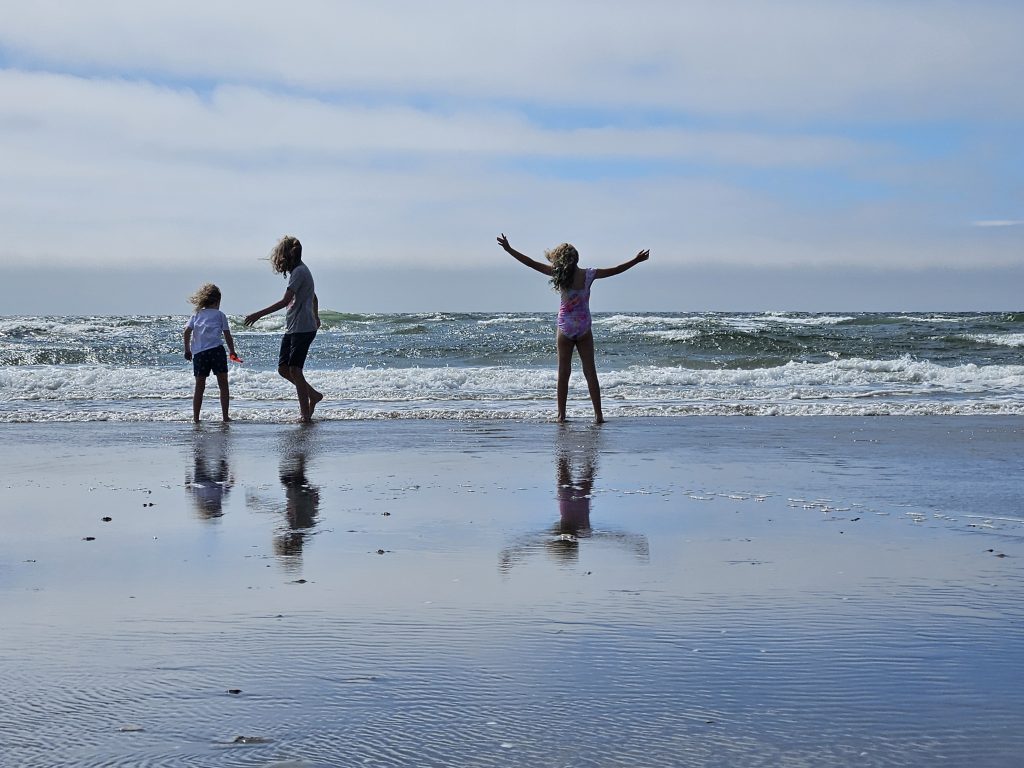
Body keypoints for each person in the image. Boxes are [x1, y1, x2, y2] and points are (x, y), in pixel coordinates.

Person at [496, 233, 649, 423]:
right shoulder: (589, 274)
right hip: (584, 326)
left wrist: (509, 249)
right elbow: (616, 270)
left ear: (559, 259)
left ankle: (561, 415)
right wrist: (636, 260)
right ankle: (598, 415)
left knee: (563, 373)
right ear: (577, 258)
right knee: (590, 372)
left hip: (565, 327)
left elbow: (530, 263)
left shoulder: (557, 274)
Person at [244, 235, 323, 423]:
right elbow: (314, 297)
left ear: (288, 256)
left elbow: (285, 301)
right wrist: (317, 316)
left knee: (295, 369)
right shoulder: (300, 271)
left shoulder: (299, 272)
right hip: (294, 327)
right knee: (283, 369)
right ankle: (313, 394)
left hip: (303, 327)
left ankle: (305, 415)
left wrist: (258, 314)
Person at [184, 283, 237, 423]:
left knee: (199, 387)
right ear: (217, 301)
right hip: (216, 352)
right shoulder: (220, 315)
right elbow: (227, 335)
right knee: (223, 385)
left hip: (200, 354)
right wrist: (232, 351)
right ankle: (225, 417)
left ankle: (196, 418)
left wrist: (187, 350)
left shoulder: (196, 314)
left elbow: (187, 331)